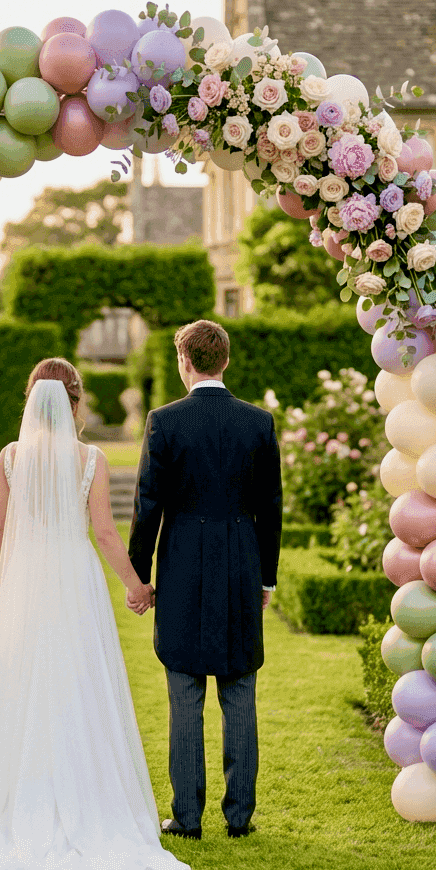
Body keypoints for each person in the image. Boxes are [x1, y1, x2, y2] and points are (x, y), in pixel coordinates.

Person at [0, 358, 190, 870]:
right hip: (74, 578)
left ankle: (16, 801)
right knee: (77, 684)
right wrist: (135, 585)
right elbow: (104, 532)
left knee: (20, 686)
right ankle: (83, 800)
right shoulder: (90, 458)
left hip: (24, 579)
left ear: (31, 398)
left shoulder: (10, 457)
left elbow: (0, 530)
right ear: (74, 402)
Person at [128, 320, 282, 840]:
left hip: (182, 568)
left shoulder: (164, 421)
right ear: (226, 360)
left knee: (185, 694)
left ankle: (186, 818)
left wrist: (138, 576)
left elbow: (147, 504)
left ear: (185, 362)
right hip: (241, 566)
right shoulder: (258, 422)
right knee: (239, 690)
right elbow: (271, 508)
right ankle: (240, 817)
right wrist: (267, 578)